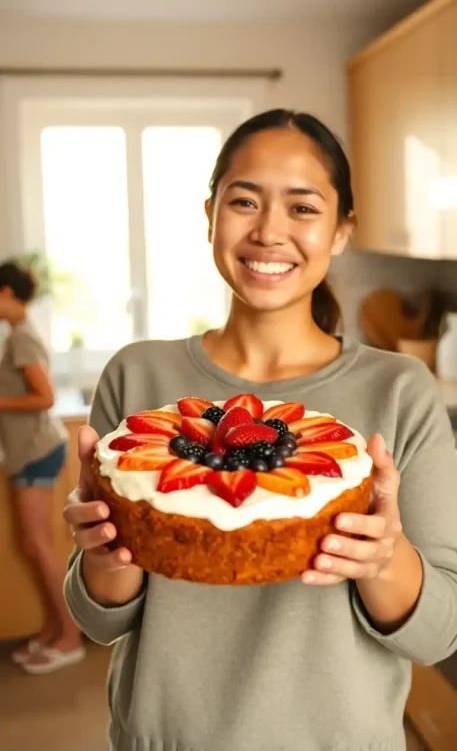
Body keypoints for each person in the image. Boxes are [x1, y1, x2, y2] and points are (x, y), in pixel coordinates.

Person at [63, 109, 457, 751]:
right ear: (211, 216)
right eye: (244, 201)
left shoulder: (399, 390)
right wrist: (108, 550)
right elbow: (100, 619)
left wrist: (383, 558)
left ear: (340, 231)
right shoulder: (138, 377)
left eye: (302, 208)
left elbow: (439, 632)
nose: (269, 231)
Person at [0, 260, 85, 673]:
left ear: (5, 294)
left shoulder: (21, 338)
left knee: (38, 545)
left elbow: (45, 397)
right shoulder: (19, 334)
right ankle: (55, 630)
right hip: (31, 449)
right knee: (34, 545)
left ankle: (70, 637)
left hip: (36, 449)